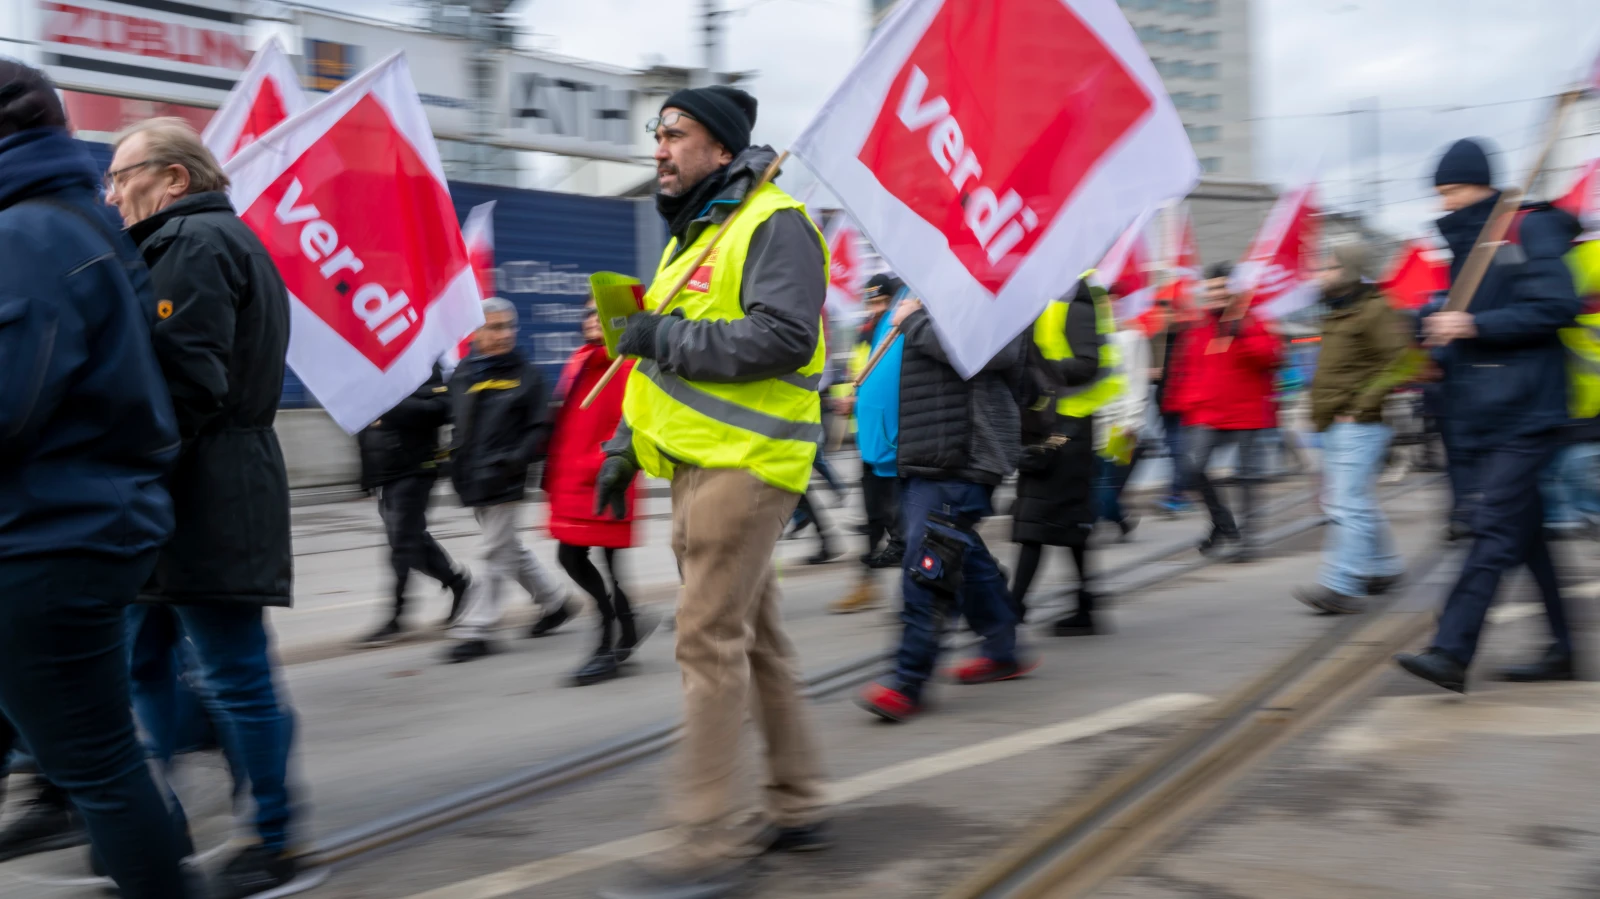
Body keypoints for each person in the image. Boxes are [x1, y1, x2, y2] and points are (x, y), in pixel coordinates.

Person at [593, 85, 829, 899]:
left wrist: (665, 333)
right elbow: (661, 360)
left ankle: (701, 838)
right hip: (697, 463)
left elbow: (785, 336)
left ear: (722, 150)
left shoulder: (774, 223)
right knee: (754, 637)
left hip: (746, 465)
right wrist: (627, 439)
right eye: (656, 133)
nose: (659, 147)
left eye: (676, 134)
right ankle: (798, 799)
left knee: (705, 642)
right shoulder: (699, 232)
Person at [0, 65, 195, 898]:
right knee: (96, 753)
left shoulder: (27, 236)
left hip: (45, 535)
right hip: (69, 526)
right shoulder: (75, 221)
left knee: (100, 763)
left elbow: (10, 401)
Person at [106, 116, 301, 897]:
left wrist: (122, 467)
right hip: (186, 486)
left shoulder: (192, 246)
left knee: (232, 671)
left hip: (205, 489)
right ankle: (165, 826)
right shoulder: (191, 242)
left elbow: (188, 385)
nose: (112, 192)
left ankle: (275, 841)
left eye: (123, 176)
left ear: (174, 178)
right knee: (144, 658)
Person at [1396, 138, 1583, 692]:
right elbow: (1465, 321)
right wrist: (1434, 339)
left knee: (1493, 530)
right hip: (1484, 414)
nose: (1444, 203)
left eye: (1451, 191)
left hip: (1528, 410)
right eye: (1439, 193)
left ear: (1480, 184)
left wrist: (1473, 326)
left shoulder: (1528, 228)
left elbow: (1556, 307)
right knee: (1525, 538)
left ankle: (1451, 650)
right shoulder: (1466, 249)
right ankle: (1564, 651)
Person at [857, 295, 1033, 721]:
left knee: (929, 564)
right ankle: (1002, 647)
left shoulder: (990, 284)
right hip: (931, 451)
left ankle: (908, 680)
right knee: (960, 553)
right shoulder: (928, 286)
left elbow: (992, 352)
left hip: (963, 453)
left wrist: (914, 322)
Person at [446, 297, 574, 664]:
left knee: (491, 552)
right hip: (471, 476)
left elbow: (538, 429)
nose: (503, 334)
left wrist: (515, 460)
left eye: (508, 327)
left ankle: (476, 629)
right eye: (494, 327)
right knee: (506, 548)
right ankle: (555, 603)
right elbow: (455, 422)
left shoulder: (527, 375)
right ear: (476, 332)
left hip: (505, 476)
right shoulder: (464, 373)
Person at [1293, 240, 1410, 614]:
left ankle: (1341, 584)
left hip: (1358, 425)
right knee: (1354, 501)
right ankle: (1383, 567)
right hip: (1335, 424)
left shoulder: (1375, 310)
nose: (1320, 275)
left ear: (1348, 271)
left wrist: (1361, 407)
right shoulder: (1339, 312)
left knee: (1347, 505)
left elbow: (1404, 362)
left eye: (1328, 268)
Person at [545, 300, 654, 686]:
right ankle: (623, 627)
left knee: (605, 562)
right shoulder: (580, 360)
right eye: (587, 313)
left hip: (606, 476)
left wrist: (602, 464)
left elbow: (633, 423)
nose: (592, 318)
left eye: (600, 313)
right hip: (574, 480)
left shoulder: (627, 366)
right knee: (577, 558)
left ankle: (609, 642)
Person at [1010, 278, 1118, 636]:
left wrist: (1039, 373)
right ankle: (1085, 604)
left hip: (1067, 430)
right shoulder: (1044, 295)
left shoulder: (1076, 297)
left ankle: (1013, 607)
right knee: (1064, 525)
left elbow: (1088, 363)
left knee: (1036, 521)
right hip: (1048, 425)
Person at [1171, 262, 1284, 560]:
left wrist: (1243, 333)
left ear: (1233, 289)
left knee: (1247, 478)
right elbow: (1190, 370)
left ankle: (1248, 542)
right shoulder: (1199, 327)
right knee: (1192, 469)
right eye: (1210, 289)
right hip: (1207, 413)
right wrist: (1183, 404)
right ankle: (1223, 523)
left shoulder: (1253, 319)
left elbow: (1272, 357)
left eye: (1221, 288)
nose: (1215, 294)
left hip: (1248, 411)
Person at [356, 363, 472, 646]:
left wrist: (388, 409)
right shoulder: (371, 368)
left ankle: (396, 618)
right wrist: (366, 476)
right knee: (410, 540)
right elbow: (362, 425)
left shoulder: (420, 362)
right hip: (386, 472)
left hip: (416, 469)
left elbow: (441, 409)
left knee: (401, 544)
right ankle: (458, 582)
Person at [830, 272, 907, 614]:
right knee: (876, 517)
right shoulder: (866, 333)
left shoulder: (897, 331)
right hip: (870, 439)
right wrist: (848, 400)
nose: (875, 308)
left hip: (894, 441)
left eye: (882, 302)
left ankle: (922, 591)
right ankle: (866, 584)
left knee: (900, 522)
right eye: (871, 302)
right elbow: (858, 376)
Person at [1096, 299, 1152, 539]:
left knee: (1105, 485)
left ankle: (1117, 519)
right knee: (1097, 483)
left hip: (1121, 425)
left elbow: (1138, 384)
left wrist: (1132, 421)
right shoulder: (1086, 339)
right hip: (1093, 424)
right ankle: (1119, 520)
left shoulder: (1132, 339)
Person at [1152, 295, 1195, 515]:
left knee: (1178, 450)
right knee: (1175, 449)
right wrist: (1150, 373)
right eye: (1161, 312)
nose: (1164, 316)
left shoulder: (1186, 338)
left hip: (1181, 404)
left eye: (1168, 312)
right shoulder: (1158, 338)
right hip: (1164, 404)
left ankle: (1177, 493)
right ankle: (1182, 490)